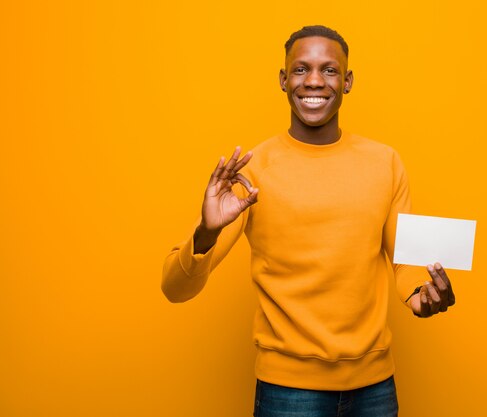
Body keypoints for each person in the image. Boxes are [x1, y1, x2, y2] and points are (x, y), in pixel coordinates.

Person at [162, 25, 455, 417]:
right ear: (283, 80)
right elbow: (174, 289)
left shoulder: (385, 162)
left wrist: (422, 293)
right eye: (300, 70)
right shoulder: (253, 171)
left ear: (347, 81)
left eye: (328, 70)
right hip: (287, 392)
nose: (314, 80)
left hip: (375, 388)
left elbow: (403, 259)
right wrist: (206, 232)